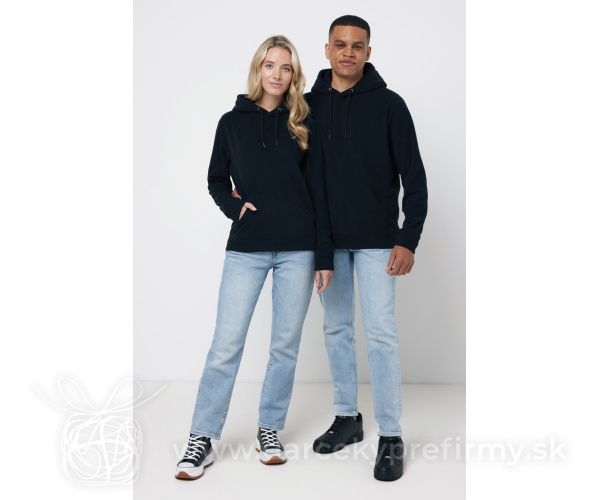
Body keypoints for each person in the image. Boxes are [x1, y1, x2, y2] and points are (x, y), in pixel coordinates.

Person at [174, 35, 334, 480]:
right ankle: (202, 437)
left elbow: (319, 191)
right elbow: (216, 179)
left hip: (299, 249)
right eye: (270, 65)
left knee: (284, 345)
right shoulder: (232, 122)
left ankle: (269, 429)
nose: (277, 74)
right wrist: (235, 208)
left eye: (286, 67)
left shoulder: (303, 121)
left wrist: (323, 255)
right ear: (258, 69)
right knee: (226, 345)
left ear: (293, 74)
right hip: (247, 248)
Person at [304, 15, 428, 481]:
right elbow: (290, 171)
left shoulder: (390, 106)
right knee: (336, 329)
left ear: (368, 53)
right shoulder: (307, 105)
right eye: (340, 44)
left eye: (357, 46)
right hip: (328, 243)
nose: (348, 52)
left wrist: (407, 238)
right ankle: (347, 418)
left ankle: (391, 434)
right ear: (327, 49)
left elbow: (415, 177)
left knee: (380, 334)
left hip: (378, 242)